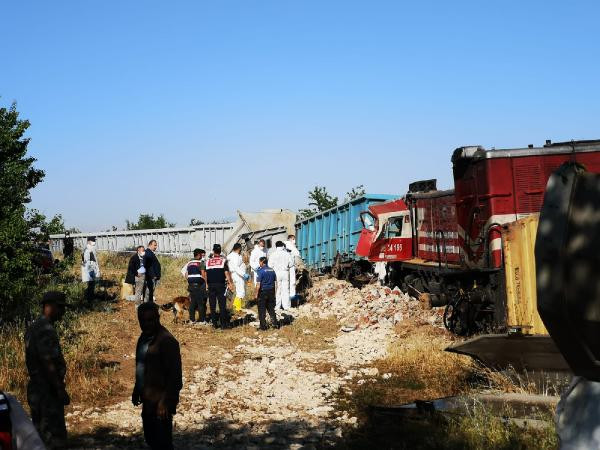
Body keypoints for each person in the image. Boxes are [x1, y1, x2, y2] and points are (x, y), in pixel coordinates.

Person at [132, 302, 182, 450]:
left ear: (158, 318)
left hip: (161, 402)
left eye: (151, 320)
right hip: (148, 398)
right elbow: (141, 366)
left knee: (163, 442)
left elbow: (175, 377)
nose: (147, 324)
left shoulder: (167, 342)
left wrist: (165, 402)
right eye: (143, 321)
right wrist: (137, 389)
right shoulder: (143, 339)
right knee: (151, 438)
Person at [25, 291, 70, 449]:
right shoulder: (45, 329)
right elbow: (48, 362)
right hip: (47, 391)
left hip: (37, 389)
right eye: (60, 307)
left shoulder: (34, 327)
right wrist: (59, 389)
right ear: (49, 306)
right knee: (54, 437)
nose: (63, 312)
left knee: (40, 435)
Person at [205, 244, 234, 329]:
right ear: (220, 251)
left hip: (211, 285)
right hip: (221, 285)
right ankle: (223, 325)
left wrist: (206, 284)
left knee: (212, 306)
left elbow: (206, 274)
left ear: (213, 251)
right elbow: (226, 273)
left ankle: (214, 324)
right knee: (222, 305)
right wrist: (230, 283)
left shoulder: (207, 261)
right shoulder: (223, 261)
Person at [180, 248, 207, 324]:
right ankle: (202, 320)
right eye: (201, 255)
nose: (202, 256)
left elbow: (185, 273)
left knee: (193, 303)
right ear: (198, 255)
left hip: (191, 285)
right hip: (198, 285)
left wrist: (189, 279)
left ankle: (192, 320)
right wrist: (206, 283)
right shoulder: (200, 262)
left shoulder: (189, 263)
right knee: (200, 303)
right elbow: (203, 274)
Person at [254, 257, 279, 330]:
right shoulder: (272, 270)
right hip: (271, 291)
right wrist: (274, 293)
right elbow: (275, 283)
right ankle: (275, 324)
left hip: (263, 292)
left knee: (262, 310)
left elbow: (258, 285)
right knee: (271, 309)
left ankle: (263, 327)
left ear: (262, 262)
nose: (259, 263)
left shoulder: (260, 271)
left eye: (259, 262)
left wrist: (256, 295)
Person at [268, 241, 293, 310]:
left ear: (276, 246)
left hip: (276, 273)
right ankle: (286, 306)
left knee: (277, 290)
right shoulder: (287, 254)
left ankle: (277, 306)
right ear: (282, 246)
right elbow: (291, 264)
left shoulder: (273, 254)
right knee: (286, 290)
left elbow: (270, 265)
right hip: (285, 272)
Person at [227, 243, 249, 312]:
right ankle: (237, 307)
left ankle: (236, 305)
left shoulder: (231, 255)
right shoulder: (235, 256)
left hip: (235, 274)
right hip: (238, 275)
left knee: (239, 291)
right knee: (241, 291)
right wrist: (243, 274)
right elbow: (236, 268)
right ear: (239, 248)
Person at [81, 237, 100, 301]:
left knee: (91, 286)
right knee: (90, 286)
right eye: (93, 241)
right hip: (90, 271)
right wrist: (91, 272)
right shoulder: (88, 250)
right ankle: (89, 300)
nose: (94, 242)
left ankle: (90, 299)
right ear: (89, 241)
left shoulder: (90, 249)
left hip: (90, 271)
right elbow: (87, 262)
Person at [283, 235, 300, 301]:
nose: (294, 241)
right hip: (290, 266)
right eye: (293, 239)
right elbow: (297, 253)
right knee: (292, 281)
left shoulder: (284, 245)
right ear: (290, 239)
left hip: (283, 267)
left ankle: (285, 296)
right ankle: (292, 296)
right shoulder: (290, 245)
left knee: (285, 282)